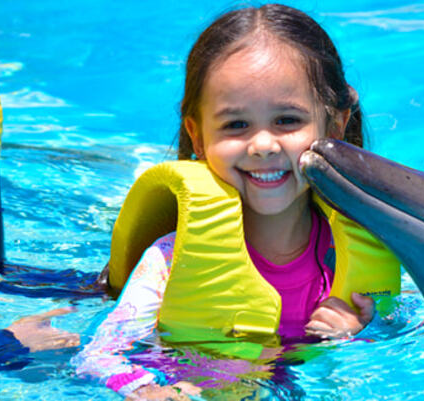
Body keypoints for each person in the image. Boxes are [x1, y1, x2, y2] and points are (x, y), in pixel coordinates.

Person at [73, 4, 399, 399]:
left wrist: (359, 333)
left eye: (287, 120)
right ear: (197, 135)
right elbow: (98, 355)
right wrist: (145, 390)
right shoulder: (170, 263)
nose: (262, 145)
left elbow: (394, 337)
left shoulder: (351, 254)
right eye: (236, 125)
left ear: (334, 125)